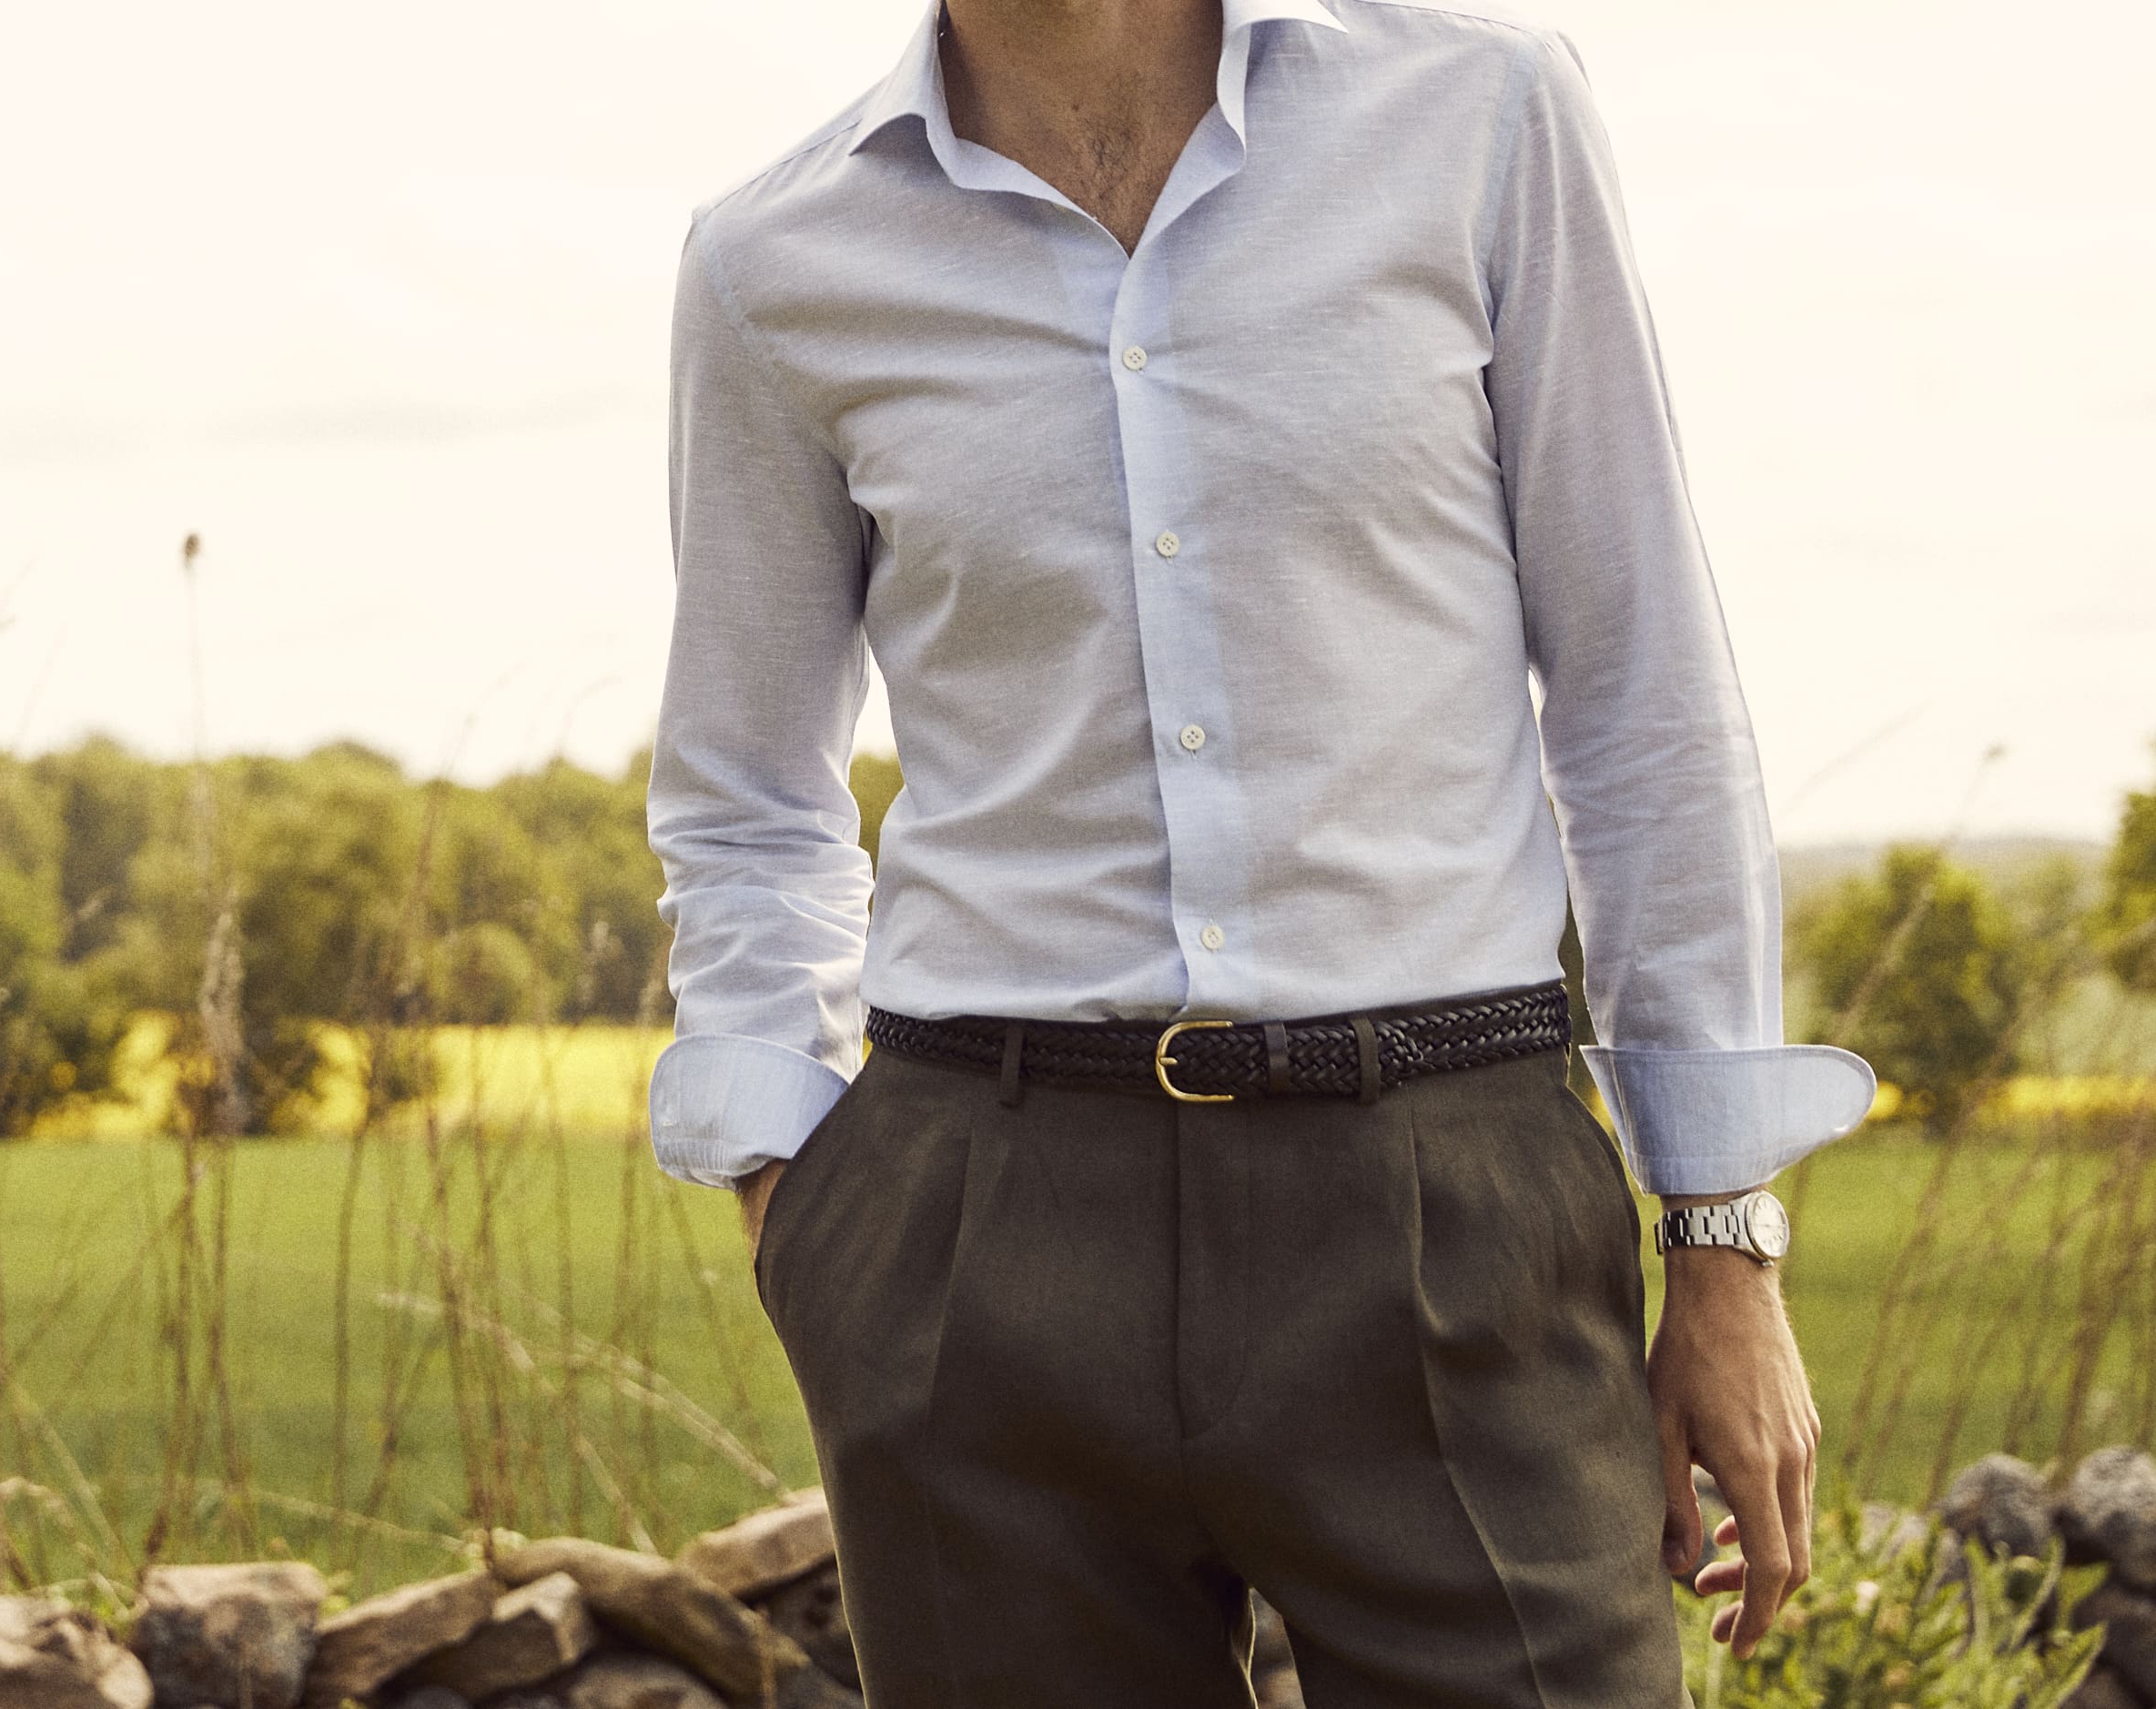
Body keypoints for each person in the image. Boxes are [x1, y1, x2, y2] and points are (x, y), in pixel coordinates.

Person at [642, 0, 1878, 1702]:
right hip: (979, 1229)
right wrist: (807, 1207)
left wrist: (1723, 1235)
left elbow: (1642, 683)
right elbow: (744, 788)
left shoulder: (1480, 116)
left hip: (1449, 1201)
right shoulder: (774, 260)